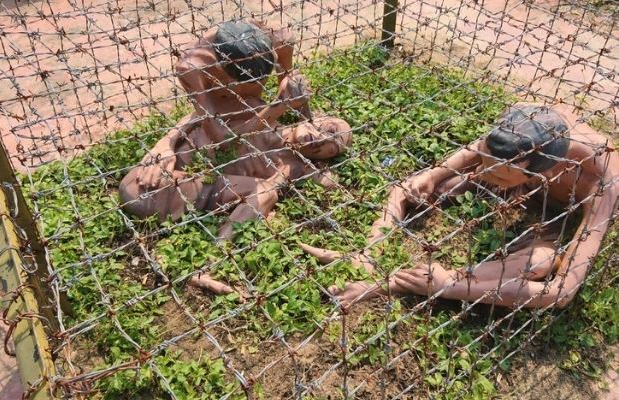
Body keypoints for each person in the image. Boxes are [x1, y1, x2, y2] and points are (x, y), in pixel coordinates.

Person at [302, 103, 619, 309]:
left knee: (542, 262)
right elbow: (477, 151)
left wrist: (452, 288)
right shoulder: (526, 124)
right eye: (487, 162)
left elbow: (563, 292)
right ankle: (370, 253)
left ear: (543, 171)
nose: (485, 171)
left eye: (498, 172)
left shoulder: (602, 182)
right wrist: (434, 174)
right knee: (411, 187)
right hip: (527, 180)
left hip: (557, 212)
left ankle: (403, 281)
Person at [118, 114, 352, 294]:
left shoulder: (296, 165)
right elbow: (199, 113)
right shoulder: (263, 117)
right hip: (146, 181)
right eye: (328, 129)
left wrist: (308, 167)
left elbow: (331, 182)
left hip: (183, 192)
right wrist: (164, 144)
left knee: (267, 190)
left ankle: (209, 263)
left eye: (329, 147)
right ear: (317, 115)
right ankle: (209, 262)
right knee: (264, 189)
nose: (321, 140)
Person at [175, 20, 311, 145]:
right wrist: (279, 105)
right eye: (243, 82)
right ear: (222, 72)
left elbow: (292, 86)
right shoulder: (190, 69)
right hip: (224, 115)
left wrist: (307, 118)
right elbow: (222, 140)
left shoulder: (280, 39)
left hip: (253, 110)